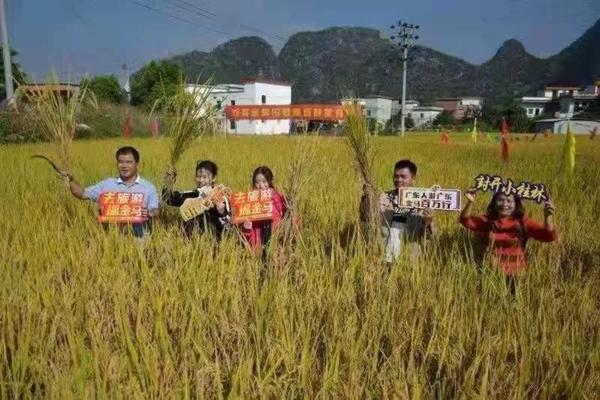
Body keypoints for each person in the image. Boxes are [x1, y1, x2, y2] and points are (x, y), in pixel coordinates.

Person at [62, 146, 159, 238]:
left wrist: (148, 213)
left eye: (129, 162)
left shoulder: (148, 187)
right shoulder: (107, 184)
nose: (124, 166)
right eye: (121, 162)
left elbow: (155, 210)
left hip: (139, 237)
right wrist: (71, 181)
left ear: (137, 163)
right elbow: (82, 194)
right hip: (111, 239)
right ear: (117, 163)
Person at [459, 189, 557, 276]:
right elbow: (465, 221)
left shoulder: (523, 223)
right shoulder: (487, 221)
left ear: (515, 204)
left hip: (517, 275)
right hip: (491, 273)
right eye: (500, 200)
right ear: (494, 202)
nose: (504, 204)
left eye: (509, 201)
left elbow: (548, 236)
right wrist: (470, 202)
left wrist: (548, 217)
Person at [364, 159, 433, 267]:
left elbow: (427, 237)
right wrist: (366, 199)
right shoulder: (383, 198)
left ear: (413, 179)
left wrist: (427, 222)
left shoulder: (423, 202)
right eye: (396, 176)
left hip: (409, 261)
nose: (398, 179)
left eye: (403, 176)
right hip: (382, 259)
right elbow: (365, 218)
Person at [162, 160, 230, 239]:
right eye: (198, 176)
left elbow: (229, 226)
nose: (201, 180)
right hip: (190, 243)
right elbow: (169, 199)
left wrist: (222, 212)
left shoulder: (221, 198)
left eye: (205, 177)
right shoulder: (192, 195)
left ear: (214, 178)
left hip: (214, 243)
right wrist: (168, 183)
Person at [239, 166, 288, 255]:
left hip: (277, 251)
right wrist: (247, 229)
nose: (261, 186)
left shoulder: (280, 199)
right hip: (258, 252)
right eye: (257, 182)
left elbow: (292, 222)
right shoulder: (250, 203)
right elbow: (248, 237)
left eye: (264, 181)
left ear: (270, 182)